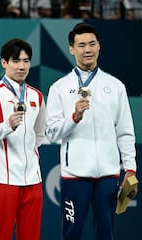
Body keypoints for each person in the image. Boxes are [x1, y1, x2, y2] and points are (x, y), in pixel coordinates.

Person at [45, 22, 138, 240]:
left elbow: (125, 132)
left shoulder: (115, 86)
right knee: (71, 234)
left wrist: (131, 170)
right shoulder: (59, 88)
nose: (87, 49)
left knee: (106, 234)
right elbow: (51, 132)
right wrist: (74, 118)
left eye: (92, 44)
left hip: (108, 174)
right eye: (82, 45)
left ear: (99, 47)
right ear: (72, 49)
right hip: (75, 175)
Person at [0, 38, 47, 240]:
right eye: (16, 61)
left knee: (31, 236)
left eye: (26, 61)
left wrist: (30, 158)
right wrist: (7, 126)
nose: (22, 66)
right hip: (4, 180)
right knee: (0, 235)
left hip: (33, 179)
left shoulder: (37, 96)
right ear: (4, 63)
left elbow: (40, 134)